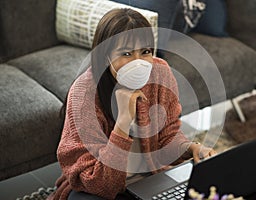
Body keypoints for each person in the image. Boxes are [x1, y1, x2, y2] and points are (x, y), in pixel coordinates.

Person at [48, 8, 216, 200]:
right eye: (126, 53)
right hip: (96, 188)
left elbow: (167, 135)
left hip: (148, 178)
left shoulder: (160, 73)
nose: (138, 63)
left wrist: (191, 148)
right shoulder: (84, 94)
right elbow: (99, 184)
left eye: (145, 52)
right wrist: (122, 123)